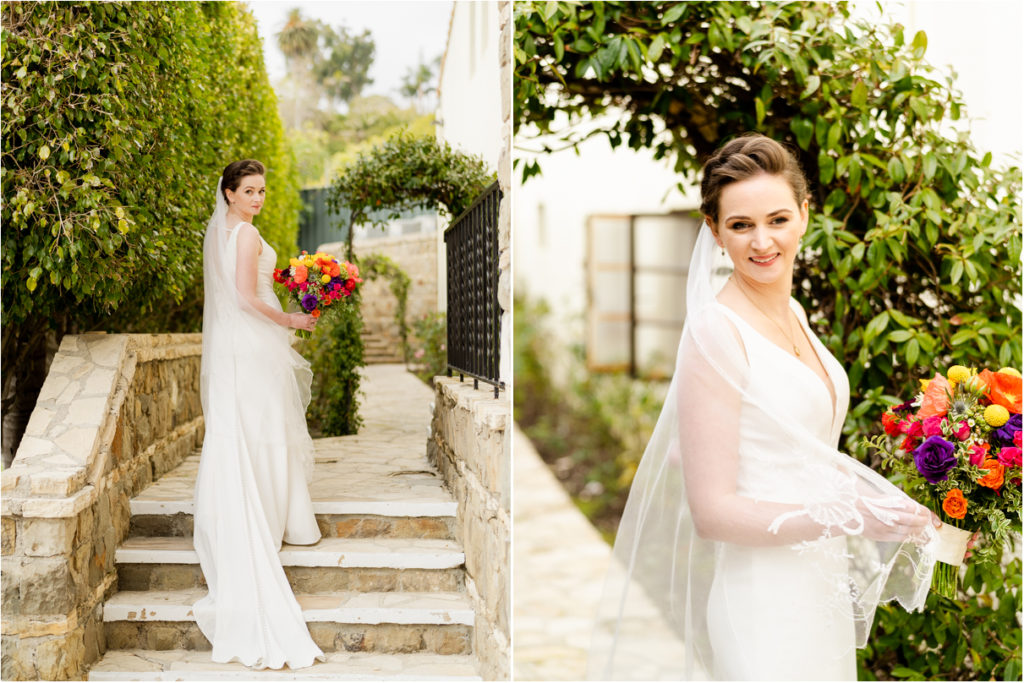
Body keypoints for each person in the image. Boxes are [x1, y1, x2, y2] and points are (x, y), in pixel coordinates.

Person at [588, 135, 943, 681]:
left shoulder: (796, 312)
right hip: (761, 604)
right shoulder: (715, 332)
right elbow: (712, 513)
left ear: (804, 214)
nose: (762, 242)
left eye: (777, 219)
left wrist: (883, 505)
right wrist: (848, 517)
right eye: (740, 225)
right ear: (714, 231)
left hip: (818, 586)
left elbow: (798, 458)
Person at [192, 159, 323, 669]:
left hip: (235, 346)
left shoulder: (226, 232)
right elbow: (247, 297)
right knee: (266, 428)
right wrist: (290, 317)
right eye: (249, 190)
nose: (258, 198)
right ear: (228, 193)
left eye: (262, 190)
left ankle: (263, 512)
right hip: (252, 342)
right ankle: (270, 519)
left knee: (246, 430)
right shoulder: (244, 234)